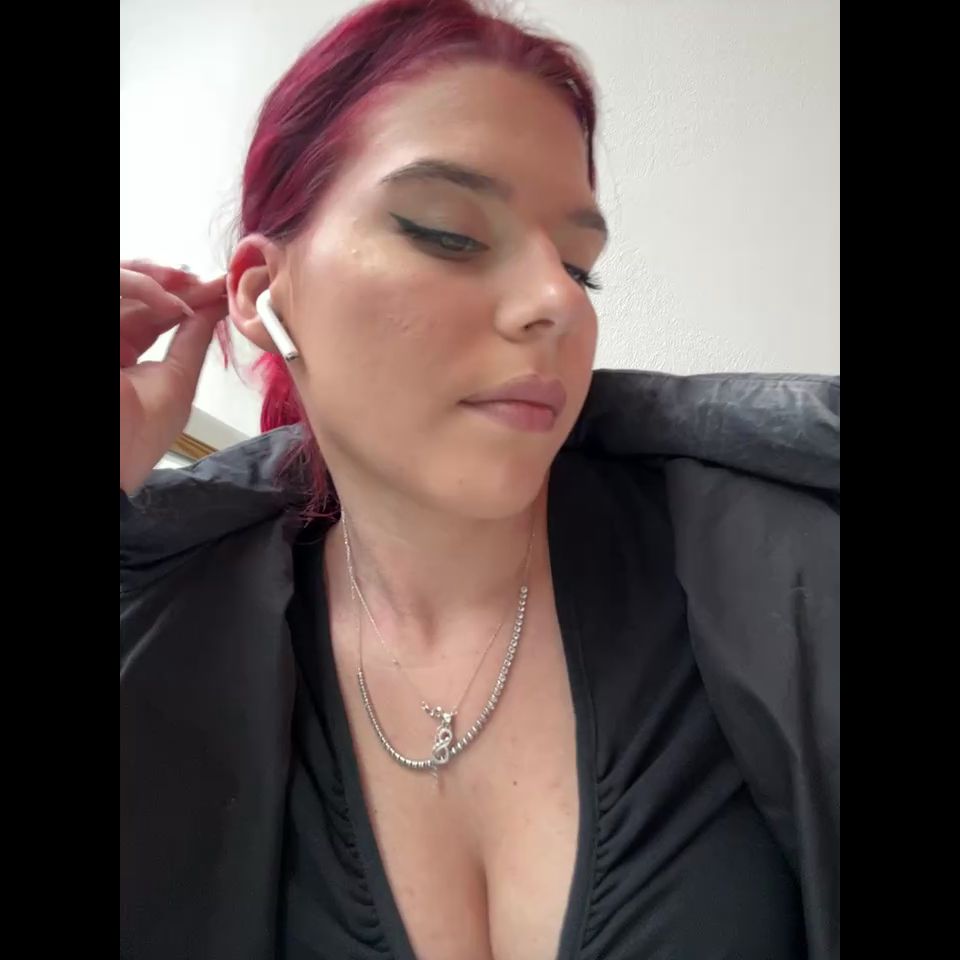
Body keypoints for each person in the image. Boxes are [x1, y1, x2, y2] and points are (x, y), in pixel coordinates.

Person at [119, 1, 840, 958]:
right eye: (448, 233)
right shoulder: (164, 627)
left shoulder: (789, 576)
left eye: (580, 268)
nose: (555, 301)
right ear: (261, 293)